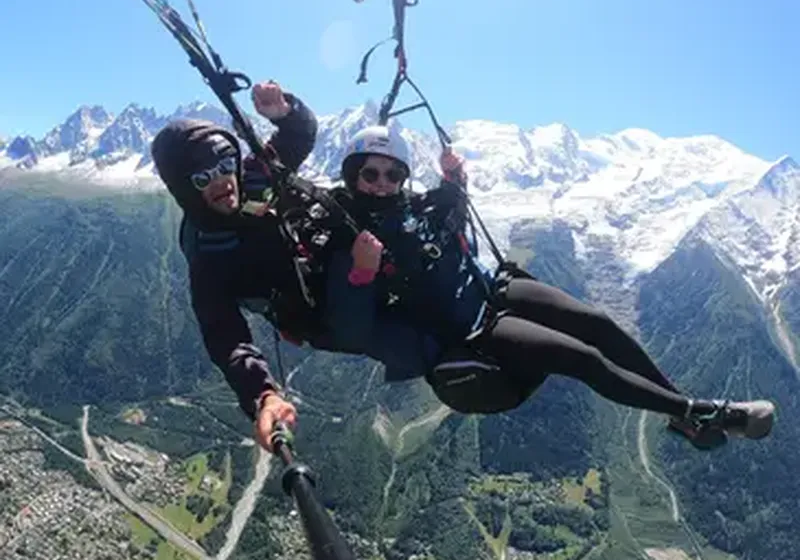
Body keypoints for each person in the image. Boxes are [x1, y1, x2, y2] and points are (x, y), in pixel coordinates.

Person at [321, 125, 776, 450]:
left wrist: (454, 180)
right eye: (370, 174)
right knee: (584, 359)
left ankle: (679, 411)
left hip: (493, 290)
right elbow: (350, 331)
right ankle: (705, 412)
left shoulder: (414, 208)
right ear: (351, 175)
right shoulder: (350, 242)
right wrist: (361, 273)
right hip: (473, 334)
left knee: (596, 324)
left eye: (392, 174)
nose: (382, 185)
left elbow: (452, 225)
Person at [151, 81, 325, 452]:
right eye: (203, 179)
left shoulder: (256, 176)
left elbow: (300, 134)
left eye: (226, 165)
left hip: (325, 262)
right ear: (185, 190)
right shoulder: (206, 253)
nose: (223, 182)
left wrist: (282, 110)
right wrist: (262, 395)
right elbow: (225, 335)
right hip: (312, 311)